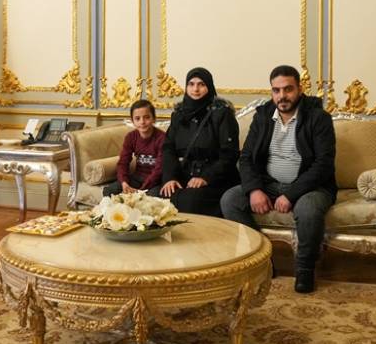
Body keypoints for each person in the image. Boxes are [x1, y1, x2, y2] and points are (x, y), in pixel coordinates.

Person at [220, 65, 336, 293]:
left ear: (299, 89)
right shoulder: (263, 117)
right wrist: (255, 190)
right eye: (276, 90)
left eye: (288, 89)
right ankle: (262, 261)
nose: (282, 96)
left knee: (308, 209)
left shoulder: (318, 118)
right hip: (269, 184)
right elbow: (246, 158)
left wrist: (291, 194)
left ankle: (304, 269)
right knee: (230, 200)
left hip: (311, 187)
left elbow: (323, 164)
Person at [159, 67, 240, 216]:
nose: (195, 89)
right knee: (158, 197)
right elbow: (168, 148)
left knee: (191, 201)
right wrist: (170, 178)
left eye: (201, 84)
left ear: (209, 87)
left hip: (215, 179)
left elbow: (229, 153)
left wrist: (206, 177)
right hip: (184, 175)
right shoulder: (179, 115)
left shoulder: (222, 114)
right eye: (191, 84)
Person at [103, 100, 165, 197]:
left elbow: (159, 169)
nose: (142, 122)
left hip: (157, 181)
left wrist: (141, 190)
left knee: (150, 196)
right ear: (133, 121)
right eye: (137, 118)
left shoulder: (162, 138)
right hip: (137, 178)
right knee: (110, 190)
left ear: (154, 119)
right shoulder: (131, 137)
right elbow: (123, 163)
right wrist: (124, 182)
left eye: (147, 117)